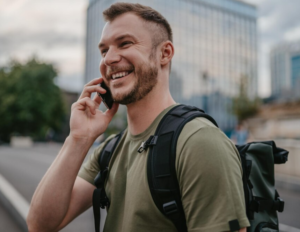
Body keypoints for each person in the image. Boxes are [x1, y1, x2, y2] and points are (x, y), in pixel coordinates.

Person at [27, 3, 249, 232]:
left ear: (165, 53)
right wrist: (78, 139)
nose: (108, 59)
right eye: (104, 51)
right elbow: (40, 225)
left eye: (125, 43)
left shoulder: (200, 142)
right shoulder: (109, 150)